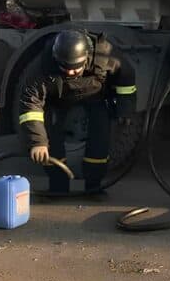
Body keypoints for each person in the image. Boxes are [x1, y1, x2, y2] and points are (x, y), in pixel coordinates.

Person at [18, 29, 137, 193]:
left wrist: (125, 109)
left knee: (100, 139)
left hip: (96, 98)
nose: (69, 72)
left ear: (86, 57)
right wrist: (37, 142)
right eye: (64, 67)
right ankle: (58, 186)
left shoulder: (105, 55)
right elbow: (30, 107)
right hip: (57, 101)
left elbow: (126, 80)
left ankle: (93, 186)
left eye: (75, 69)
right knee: (51, 141)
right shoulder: (41, 67)